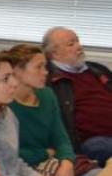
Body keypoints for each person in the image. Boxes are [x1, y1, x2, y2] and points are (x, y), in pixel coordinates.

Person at [6, 44, 100, 176]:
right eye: (39, 67)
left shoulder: (47, 95)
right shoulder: (5, 104)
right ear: (17, 70)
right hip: (27, 170)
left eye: (45, 67)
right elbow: (8, 153)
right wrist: (45, 153)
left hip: (57, 160)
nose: (45, 72)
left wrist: (66, 162)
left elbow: (61, 137)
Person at [43, 26, 112, 167]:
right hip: (92, 141)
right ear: (55, 53)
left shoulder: (97, 69)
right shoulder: (49, 80)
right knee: (99, 146)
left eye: (78, 41)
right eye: (71, 44)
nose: (79, 46)